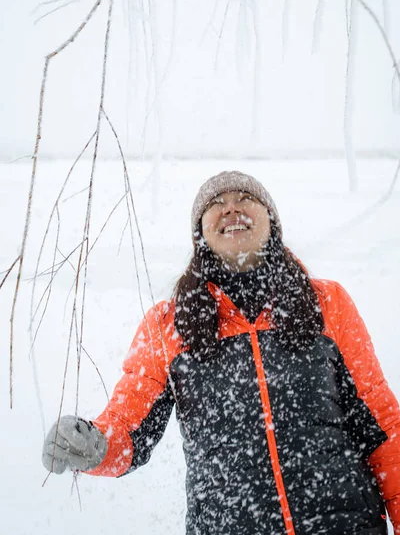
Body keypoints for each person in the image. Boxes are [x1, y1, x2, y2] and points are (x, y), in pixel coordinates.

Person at [42, 170, 400, 535]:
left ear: (271, 222)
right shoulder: (168, 325)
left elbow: (382, 428)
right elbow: (130, 427)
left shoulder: (327, 303)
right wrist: (96, 445)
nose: (231, 209)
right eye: (216, 204)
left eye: (245, 199)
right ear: (201, 234)